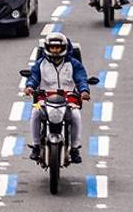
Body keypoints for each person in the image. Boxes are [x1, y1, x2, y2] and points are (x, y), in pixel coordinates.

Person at [25, 32, 91, 164]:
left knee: (76, 115)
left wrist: (84, 91)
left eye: (58, 47)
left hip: (69, 98)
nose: (55, 50)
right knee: (35, 112)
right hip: (43, 98)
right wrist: (30, 87)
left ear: (64, 48)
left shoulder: (74, 64)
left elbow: (81, 78)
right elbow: (33, 77)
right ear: (47, 48)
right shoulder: (40, 64)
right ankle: (36, 146)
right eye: (52, 47)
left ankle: (74, 148)